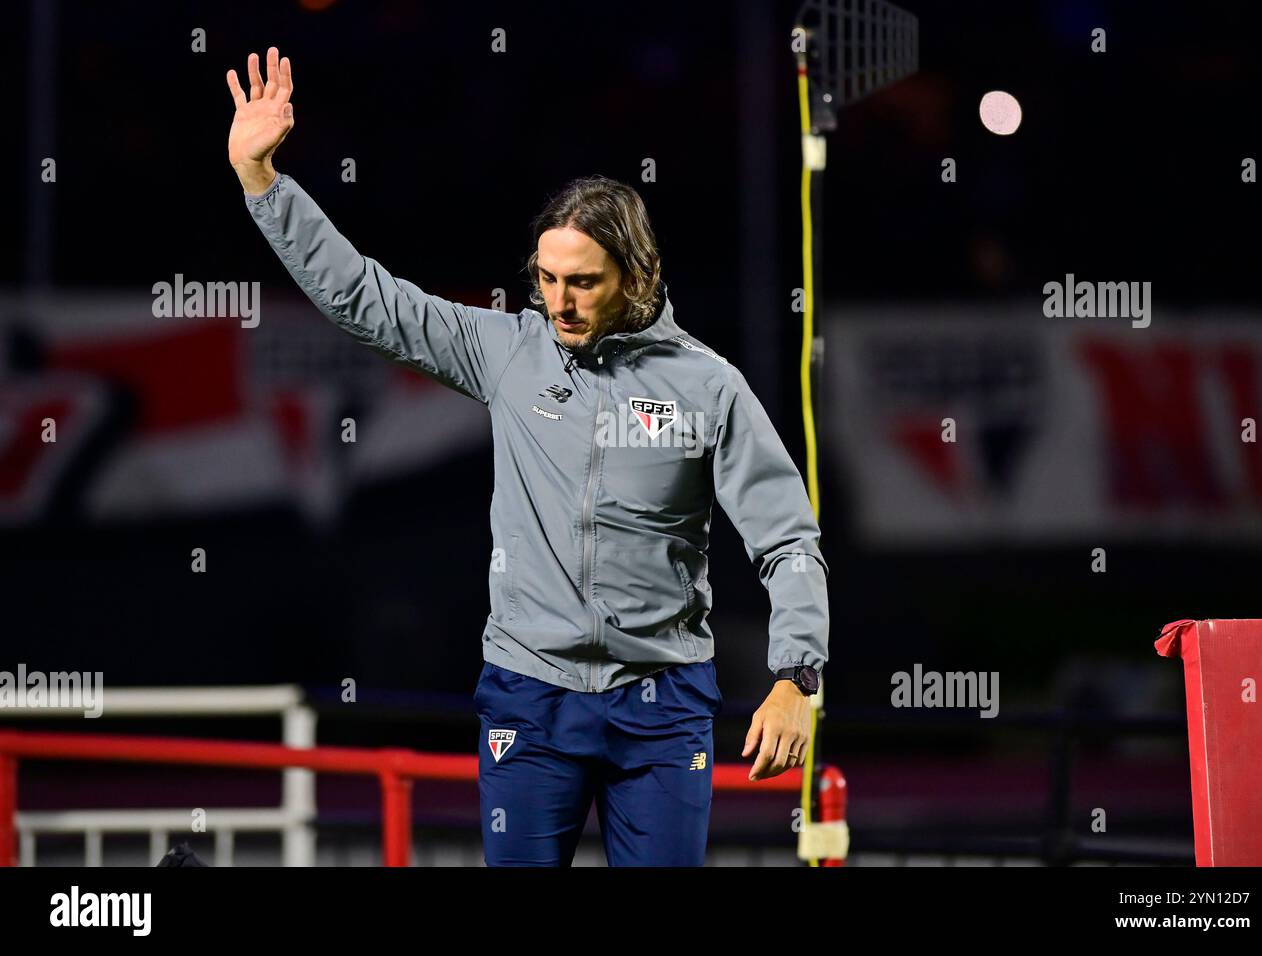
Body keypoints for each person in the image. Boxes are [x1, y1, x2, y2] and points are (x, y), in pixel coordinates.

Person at [226, 47, 829, 866]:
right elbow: (363, 297)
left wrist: (797, 677)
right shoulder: (507, 350)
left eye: (582, 281)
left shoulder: (708, 386)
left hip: (663, 707)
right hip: (530, 697)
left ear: (638, 273)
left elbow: (788, 540)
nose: (558, 302)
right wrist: (265, 182)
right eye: (545, 279)